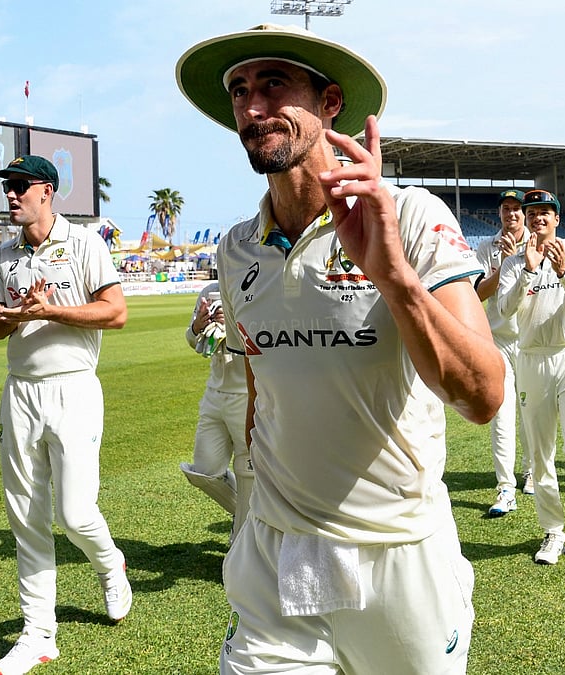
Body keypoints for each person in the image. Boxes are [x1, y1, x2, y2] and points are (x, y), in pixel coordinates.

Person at [176, 23, 504, 673]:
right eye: (240, 90)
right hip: (281, 550)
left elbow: (484, 393)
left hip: (398, 551)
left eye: (274, 84)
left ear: (330, 106)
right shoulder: (236, 247)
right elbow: (258, 390)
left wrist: (394, 276)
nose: (252, 106)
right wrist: (251, 521)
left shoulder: (410, 217)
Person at [0, 154, 132, 675]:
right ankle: (39, 634)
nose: (12, 195)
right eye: (8, 187)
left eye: (20, 186)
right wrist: (16, 315)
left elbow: (115, 312)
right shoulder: (4, 254)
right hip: (19, 393)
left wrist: (50, 312)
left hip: (73, 391)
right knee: (26, 518)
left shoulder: (85, 243)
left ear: (47, 191)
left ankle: (112, 565)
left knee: (75, 514)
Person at [495, 189, 565, 565]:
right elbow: (505, 311)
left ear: (557, 219)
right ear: (525, 219)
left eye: (546, 213)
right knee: (540, 455)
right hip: (532, 360)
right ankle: (553, 530)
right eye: (532, 212)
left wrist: (562, 271)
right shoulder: (512, 264)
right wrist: (526, 270)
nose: (539, 218)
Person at [474, 188, 533, 516]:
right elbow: (478, 293)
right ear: (499, 214)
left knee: (531, 412)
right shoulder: (487, 247)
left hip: (530, 340)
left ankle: (531, 470)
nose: (511, 214)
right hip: (497, 340)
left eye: (516, 209)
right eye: (506, 209)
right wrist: (507, 264)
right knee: (501, 414)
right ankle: (505, 487)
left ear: (524, 213)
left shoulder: (537, 242)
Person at [180, 281, 253, 541]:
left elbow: (266, 341)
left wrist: (230, 323)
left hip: (248, 394)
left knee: (248, 472)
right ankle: (255, 516)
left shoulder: (260, 284)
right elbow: (193, 340)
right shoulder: (210, 291)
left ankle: (245, 542)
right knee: (203, 471)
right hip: (214, 393)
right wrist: (197, 326)